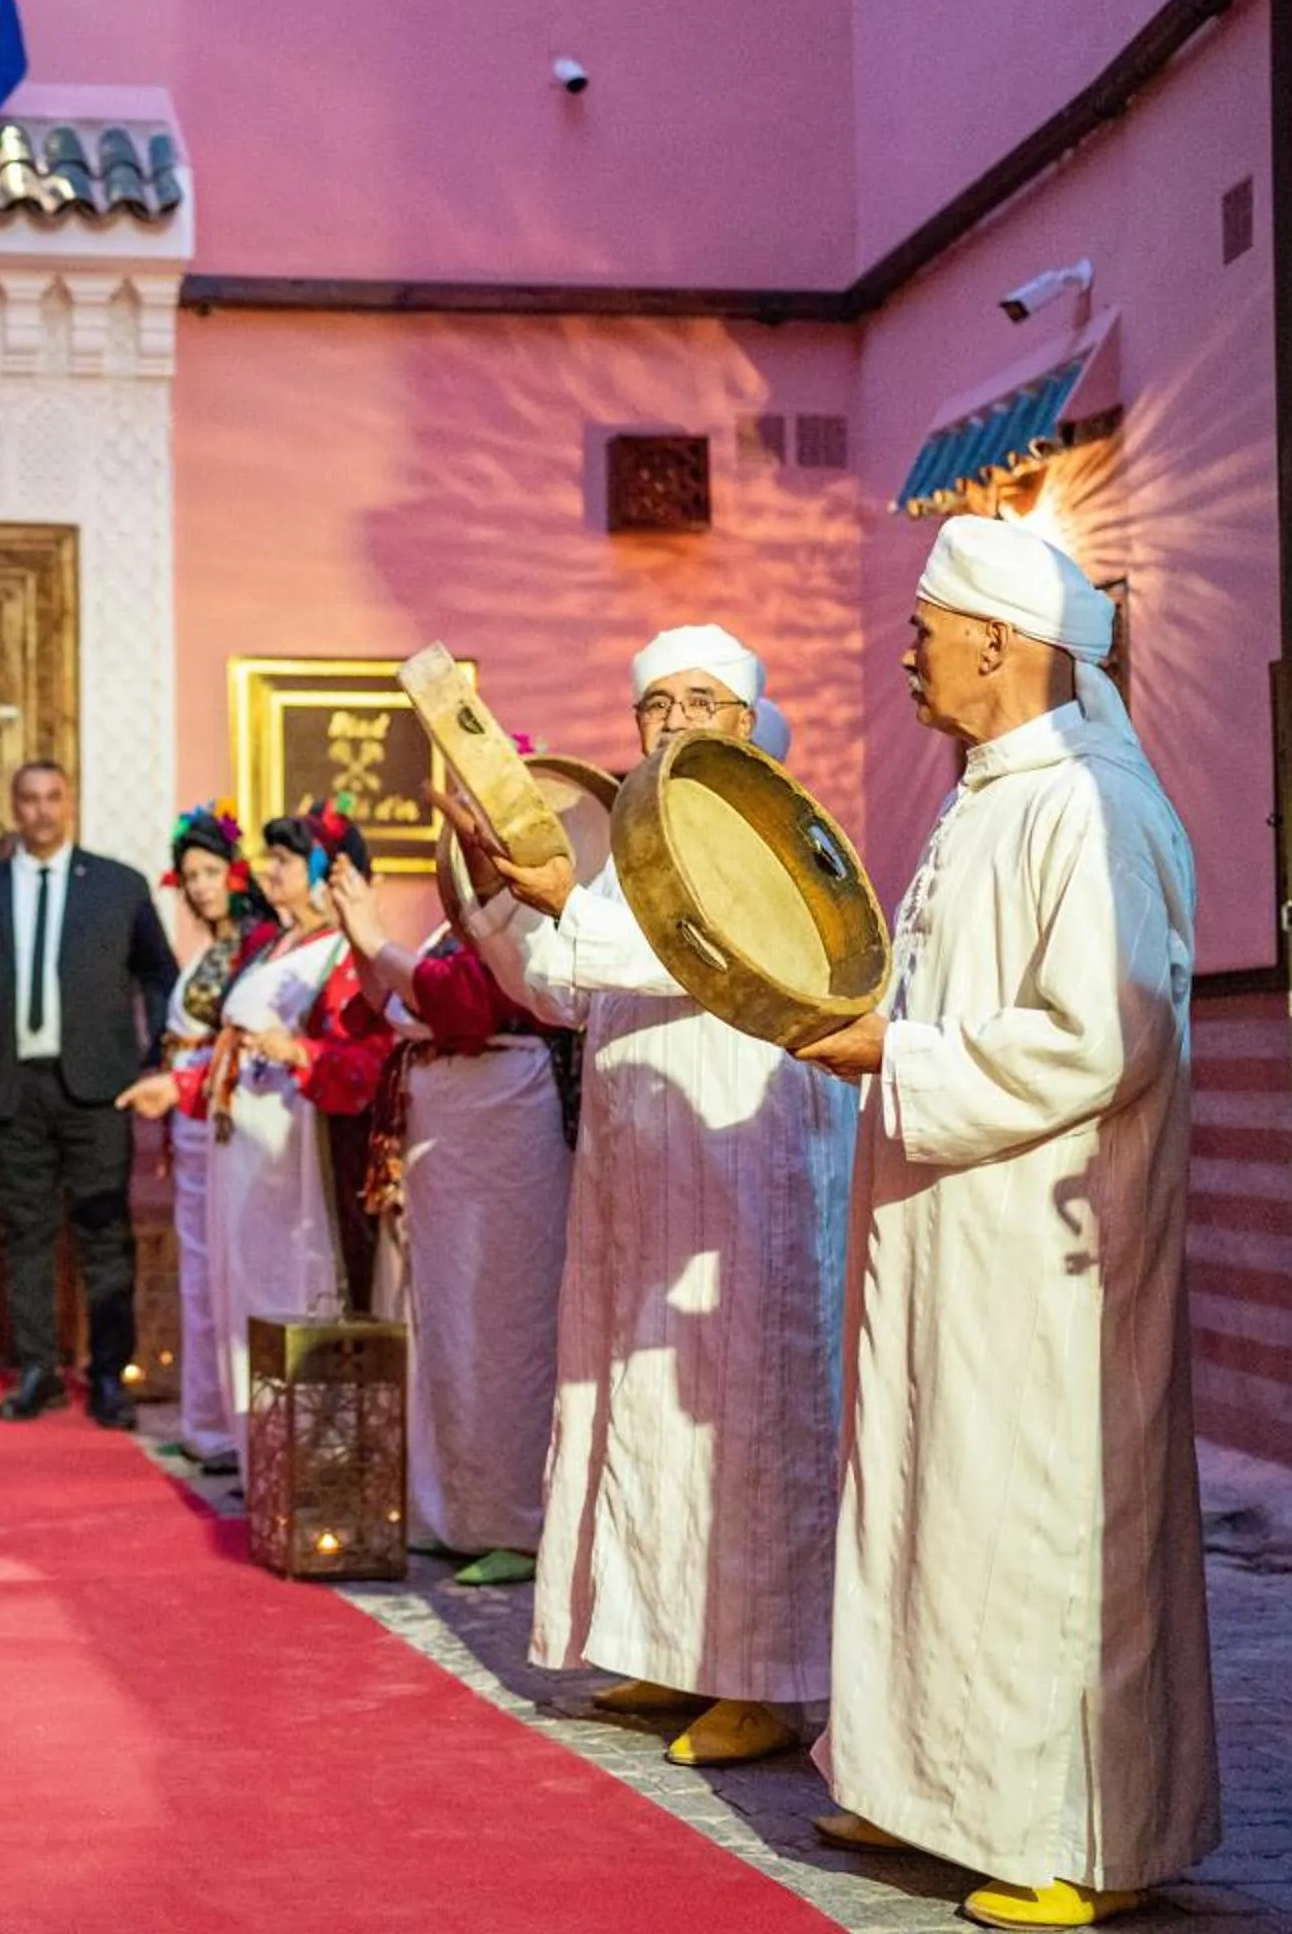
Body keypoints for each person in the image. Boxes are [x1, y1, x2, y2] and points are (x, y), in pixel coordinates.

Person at [796, 517, 1217, 1931]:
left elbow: (1108, 1036)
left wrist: (892, 1061)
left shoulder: (1090, 801)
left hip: (1044, 1253)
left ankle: (1070, 1834)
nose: (907, 647)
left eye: (925, 624)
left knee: (1037, 1522)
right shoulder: (989, 793)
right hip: (949, 1230)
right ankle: (935, 1790)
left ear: (999, 640)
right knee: (936, 1505)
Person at [455, 626, 854, 1768]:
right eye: (655, 704)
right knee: (644, 1420)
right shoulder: (636, 849)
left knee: (740, 1415)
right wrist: (522, 902)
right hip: (641, 1182)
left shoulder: (767, 825)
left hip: (741, 1175)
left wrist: (565, 904)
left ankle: (765, 1675)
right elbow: (567, 987)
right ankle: (673, 1643)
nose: (673, 721)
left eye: (700, 701)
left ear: (744, 722)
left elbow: (703, 950)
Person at [0, 762, 180, 1426]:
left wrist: (157, 1058)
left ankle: (109, 1377)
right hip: (11, 1091)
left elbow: (159, 974)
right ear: (15, 807)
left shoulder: (118, 888)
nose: (41, 811)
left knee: (103, 1234)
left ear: (70, 804)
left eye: (53, 798)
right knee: (24, 1234)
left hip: (96, 1091)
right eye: (29, 800)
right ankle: (37, 1369)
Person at [328, 860, 568, 1587]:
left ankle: (515, 1520)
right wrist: (361, 938)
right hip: (452, 1143)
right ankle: (453, 1509)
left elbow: (462, 1003)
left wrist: (374, 936)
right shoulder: (452, 926)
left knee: (501, 1326)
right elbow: (378, 1007)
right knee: (447, 1325)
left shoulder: (528, 917)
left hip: (502, 1135)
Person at [185, 805, 393, 1456]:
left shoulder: (343, 953)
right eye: (267, 858)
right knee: (243, 1286)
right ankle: (259, 1451)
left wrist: (300, 1053)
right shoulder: (268, 944)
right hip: (243, 1146)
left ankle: (311, 1452)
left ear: (321, 873)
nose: (267, 871)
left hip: (296, 1150)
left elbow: (370, 1056)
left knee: (295, 1284)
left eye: (283, 860)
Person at [116, 802, 275, 1473]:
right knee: (198, 1265)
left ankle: (227, 1424)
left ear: (236, 873)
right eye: (191, 875)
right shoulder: (212, 949)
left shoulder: (256, 944)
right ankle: (205, 1419)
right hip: (189, 1107)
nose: (203, 886)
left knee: (223, 1261)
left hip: (220, 1108)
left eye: (212, 871)